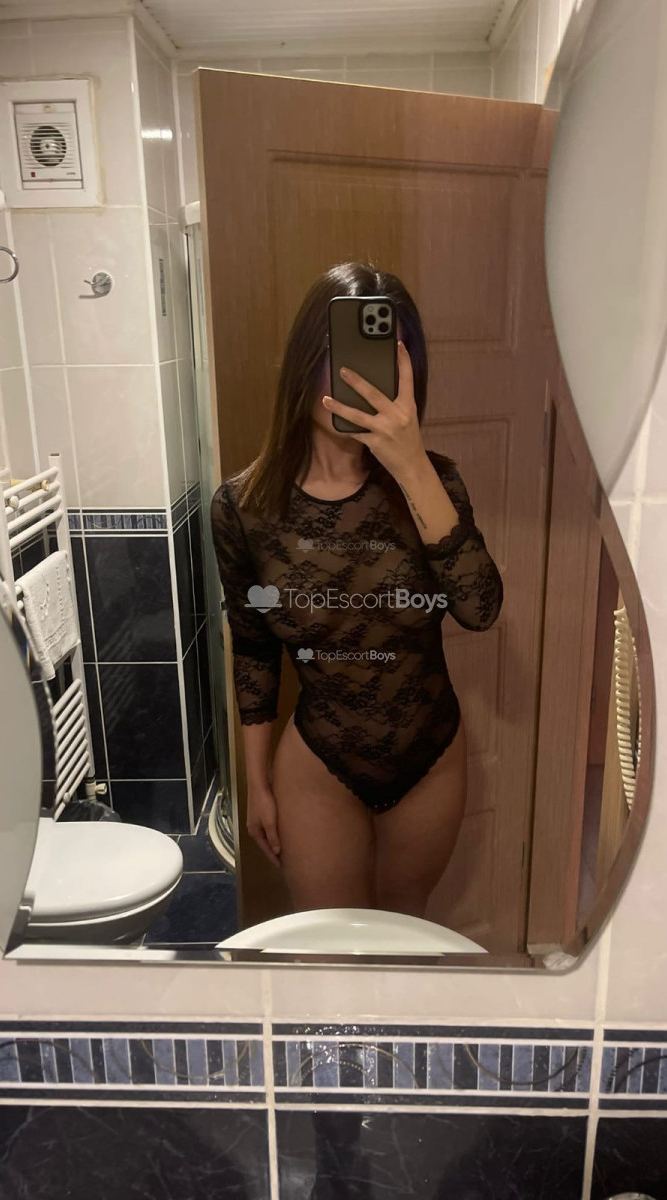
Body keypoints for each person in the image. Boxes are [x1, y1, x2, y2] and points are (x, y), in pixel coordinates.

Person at [210, 262, 502, 917]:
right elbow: (253, 649)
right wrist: (256, 783)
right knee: (328, 946)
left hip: (430, 754)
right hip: (318, 764)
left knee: (403, 938)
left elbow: (480, 609)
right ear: (305, 359)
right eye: (342, 354)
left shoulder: (435, 485)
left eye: (383, 359)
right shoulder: (241, 507)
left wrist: (411, 464)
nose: (358, 378)